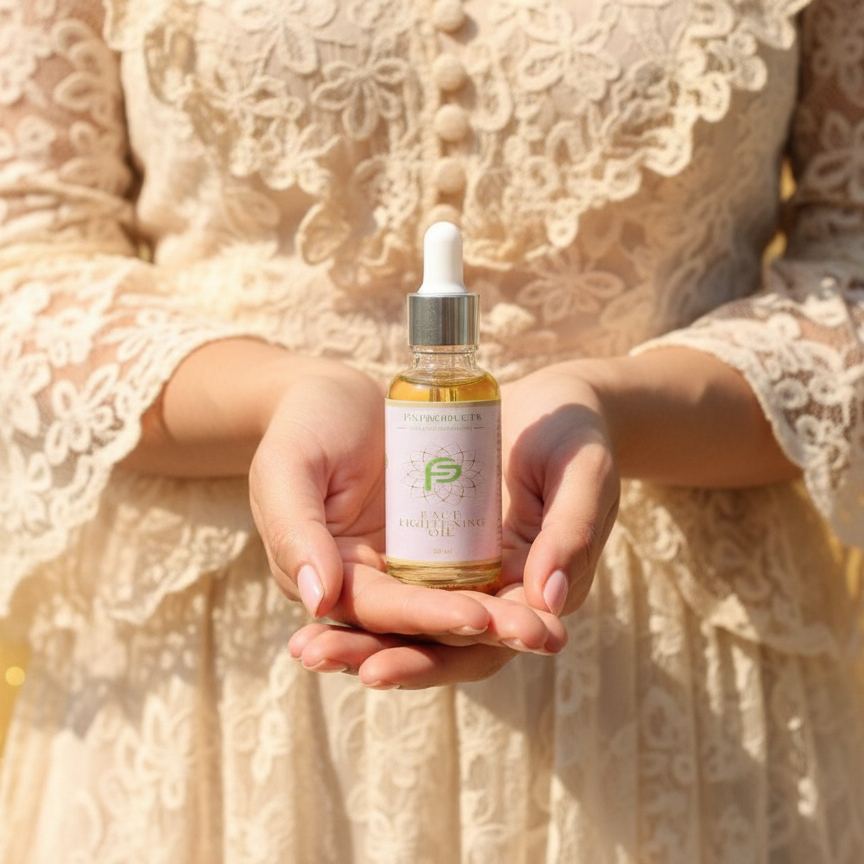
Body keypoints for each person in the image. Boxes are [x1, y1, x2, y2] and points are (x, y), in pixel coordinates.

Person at [1, 0, 864, 860]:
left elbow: (850, 270)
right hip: (208, 680)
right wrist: (273, 395)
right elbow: (29, 262)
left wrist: (616, 406)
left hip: (679, 685)